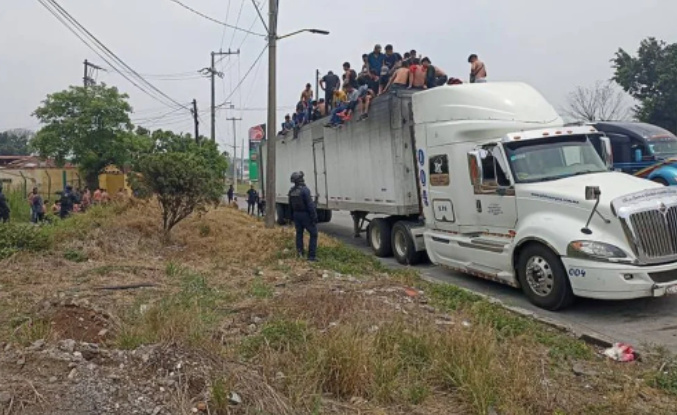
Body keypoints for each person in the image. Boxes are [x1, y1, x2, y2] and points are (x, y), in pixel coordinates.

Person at [288, 171, 318, 261]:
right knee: (314, 234)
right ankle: (311, 257)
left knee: (299, 234)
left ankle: (300, 253)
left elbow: (290, 205)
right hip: (305, 215)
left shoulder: (291, 191)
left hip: (296, 215)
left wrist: (291, 218)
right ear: (300, 179)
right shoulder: (305, 190)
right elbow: (310, 205)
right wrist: (314, 216)